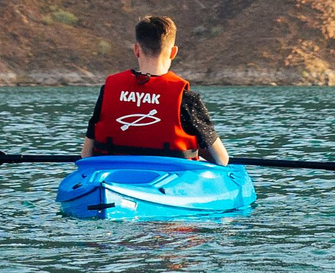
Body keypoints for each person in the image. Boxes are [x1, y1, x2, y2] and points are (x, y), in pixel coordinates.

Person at [81, 14, 228, 165]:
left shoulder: (109, 90)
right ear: (173, 52)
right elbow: (222, 159)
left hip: (111, 173)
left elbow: (86, 154)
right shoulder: (186, 98)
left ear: (136, 50)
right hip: (169, 179)